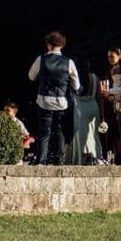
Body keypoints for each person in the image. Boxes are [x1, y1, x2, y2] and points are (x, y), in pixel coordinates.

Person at [27, 32, 79, 166]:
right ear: (62, 45)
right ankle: (58, 160)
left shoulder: (41, 59)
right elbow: (76, 85)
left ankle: (41, 161)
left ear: (48, 44)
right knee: (59, 131)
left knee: (44, 132)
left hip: (43, 100)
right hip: (61, 101)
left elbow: (31, 76)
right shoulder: (69, 62)